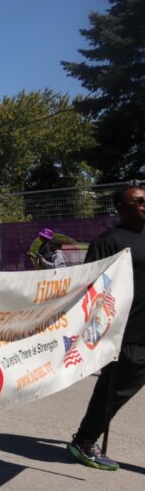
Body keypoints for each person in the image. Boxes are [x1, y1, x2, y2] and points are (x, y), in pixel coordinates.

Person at [67, 185, 145, 471]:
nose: (143, 204)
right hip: (129, 334)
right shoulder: (109, 242)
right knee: (114, 393)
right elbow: (92, 291)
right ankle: (84, 441)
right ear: (121, 209)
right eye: (137, 201)